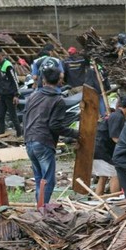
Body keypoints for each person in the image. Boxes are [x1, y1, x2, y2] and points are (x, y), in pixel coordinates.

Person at [23, 67, 79, 204]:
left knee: (39, 179)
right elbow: (55, 126)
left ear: (43, 80)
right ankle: (42, 210)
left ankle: (39, 208)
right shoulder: (58, 100)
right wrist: (75, 134)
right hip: (43, 141)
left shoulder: (33, 96)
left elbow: (25, 117)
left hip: (29, 140)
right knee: (48, 180)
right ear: (60, 81)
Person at [93, 95, 126, 195]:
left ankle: (98, 199)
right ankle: (115, 199)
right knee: (116, 173)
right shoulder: (118, 116)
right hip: (102, 151)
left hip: (97, 149)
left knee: (103, 176)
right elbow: (115, 137)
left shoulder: (114, 115)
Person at [0, 46, 22, 137]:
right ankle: (2, 134)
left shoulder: (8, 65)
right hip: (2, 95)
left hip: (10, 94)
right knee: (0, 116)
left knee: (13, 116)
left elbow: (14, 80)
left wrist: (16, 95)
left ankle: (19, 134)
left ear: (0, 54)